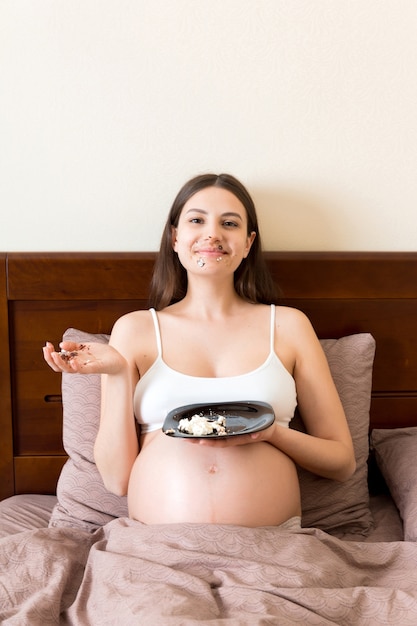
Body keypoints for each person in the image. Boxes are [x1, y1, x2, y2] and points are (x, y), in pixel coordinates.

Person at [43, 173, 355, 528]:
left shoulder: (289, 326)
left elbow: (342, 462)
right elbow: (117, 480)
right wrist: (115, 375)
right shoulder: (135, 329)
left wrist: (271, 433)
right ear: (175, 237)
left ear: (248, 242)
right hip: (158, 548)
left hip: (270, 548)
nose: (213, 234)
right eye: (196, 220)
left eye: (229, 223)